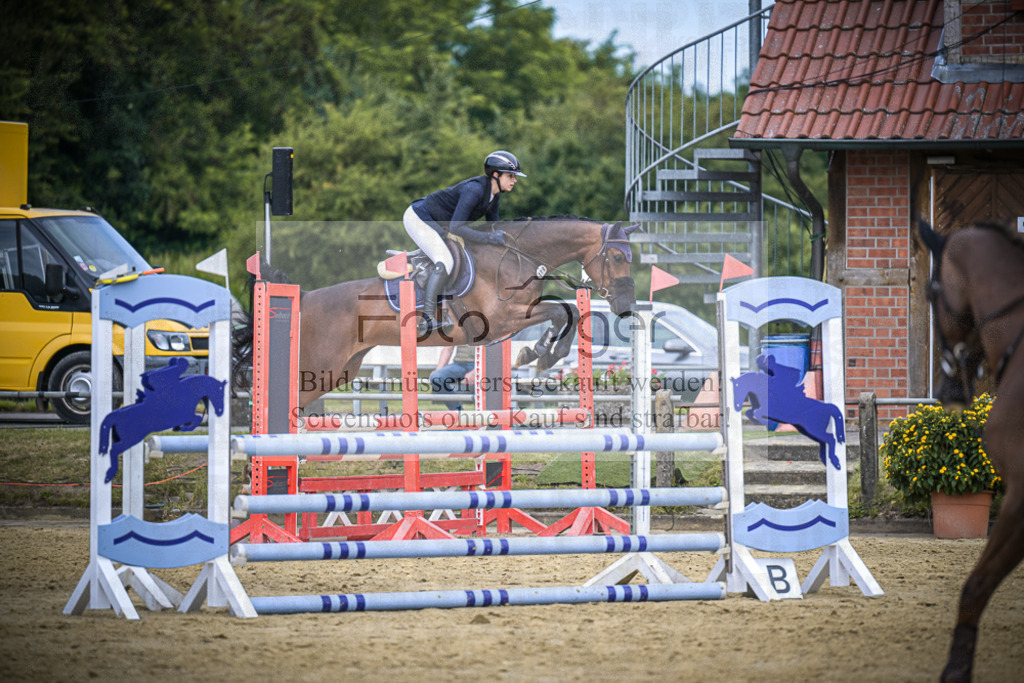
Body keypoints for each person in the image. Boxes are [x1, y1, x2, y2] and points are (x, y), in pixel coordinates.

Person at [403, 150, 526, 334]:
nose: (514, 180)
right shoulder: (474, 190)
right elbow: (456, 228)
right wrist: (490, 238)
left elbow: (492, 227)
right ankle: (427, 319)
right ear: (495, 174)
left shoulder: (494, 195)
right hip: (419, 218)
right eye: (510, 176)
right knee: (445, 261)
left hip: (439, 225)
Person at [429, 345, 476, 410]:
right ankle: (459, 412)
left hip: (483, 364)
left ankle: (484, 415)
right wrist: (438, 369)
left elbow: (492, 354)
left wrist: (476, 371)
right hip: (459, 364)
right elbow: (448, 348)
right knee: (436, 378)